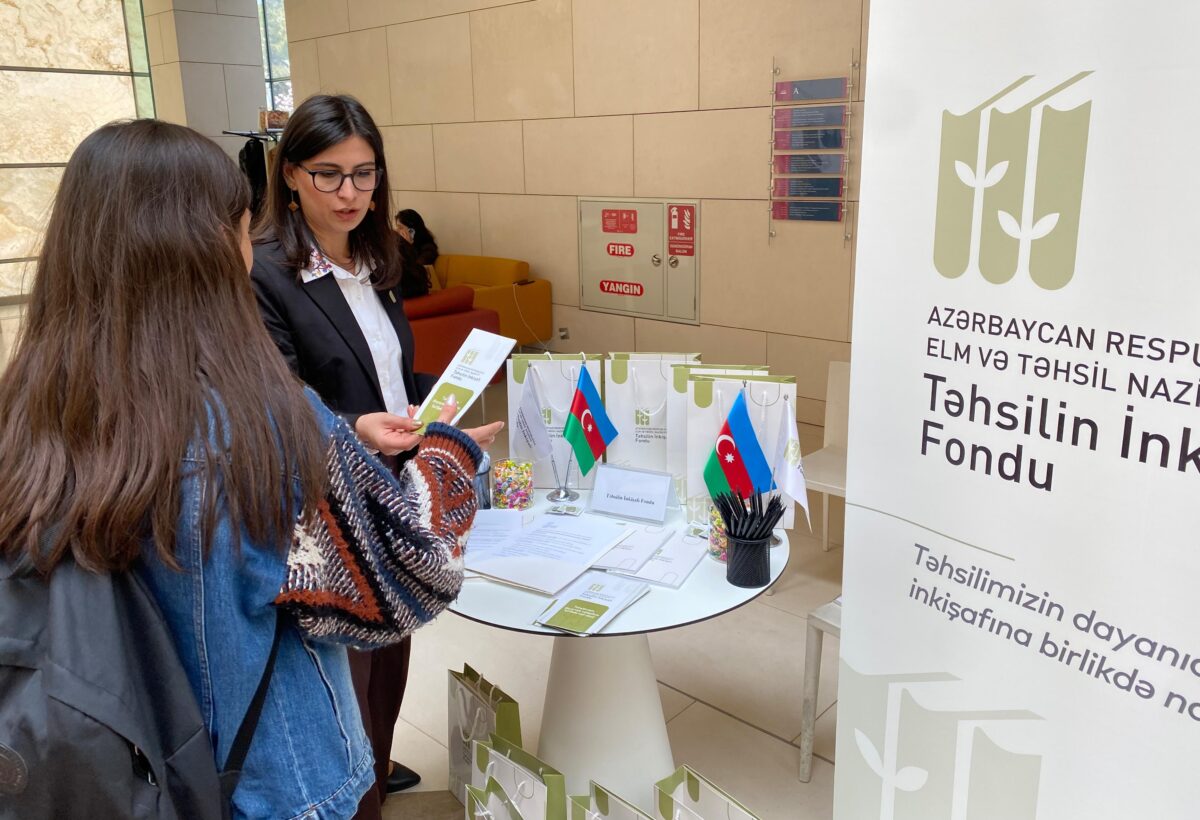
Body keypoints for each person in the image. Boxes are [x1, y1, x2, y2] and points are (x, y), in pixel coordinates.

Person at [0, 118, 502, 817]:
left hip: (113, 772)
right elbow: (407, 583)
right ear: (213, 245)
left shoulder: (27, 405)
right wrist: (448, 455)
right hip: (266, 781)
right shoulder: (256, 421)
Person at [250, 94, 446, 817]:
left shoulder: (377, 257)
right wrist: (358, 427)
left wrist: (439, 407)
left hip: (391, 487)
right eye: (329, 175)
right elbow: (275, 403)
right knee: (348, 671)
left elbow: (386, 373)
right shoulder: (266, 271)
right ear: (292, 175)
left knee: (393, 651)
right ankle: (352, 792)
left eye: (365, 175)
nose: (350, 194)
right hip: (327, 503)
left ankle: (378, 767)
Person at [395, 208, 439, 299]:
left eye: (400, 228)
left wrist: (407, 247)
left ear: (412, 231)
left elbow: (415, 271)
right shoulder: (400, 247)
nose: (397, 231)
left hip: (417, 291)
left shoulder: (428, 249)